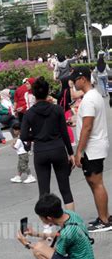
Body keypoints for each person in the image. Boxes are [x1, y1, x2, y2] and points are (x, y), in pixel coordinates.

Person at [20, 77, 75, 211]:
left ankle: (47, 226)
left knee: (44, 191)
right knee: (65, 189)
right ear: (48, 92)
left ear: (33, 93)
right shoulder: (57, 110)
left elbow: (23, 136)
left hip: (40, 151)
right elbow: (64, 133)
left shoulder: (29, 113)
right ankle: (71, 223)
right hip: (58, 149)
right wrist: (71, 153)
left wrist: (37, 137)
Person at [71, 66, 112, 232]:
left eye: (75, 80)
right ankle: (104, 216)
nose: (73, 83)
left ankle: (104, 219)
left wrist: (78, 151)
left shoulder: (88, 99)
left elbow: (87, 127)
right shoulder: (94, 95)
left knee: (96, 183)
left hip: (92, 148)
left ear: (83, 79)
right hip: (97, 145)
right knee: (94, 183)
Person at [17, 194, 95, 259]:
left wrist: (26, 243)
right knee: (41, 248)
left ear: (49, 218)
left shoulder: (67, 233)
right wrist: (35, 233)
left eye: (41, 218)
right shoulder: (70, 215)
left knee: (37, 250)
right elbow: (58, 235)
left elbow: (56, 253)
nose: (42, 221)